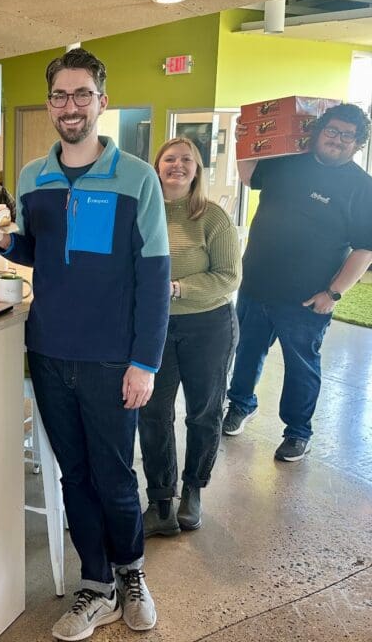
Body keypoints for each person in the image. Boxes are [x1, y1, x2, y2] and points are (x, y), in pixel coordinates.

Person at [0, 48, 170, 640]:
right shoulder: (34, 176)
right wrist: (3, 240)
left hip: (113, 357)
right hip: (51, 351)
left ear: (101, 102)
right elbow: (36, 252)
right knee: (73, 476)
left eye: (82, 94)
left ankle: (132, 570)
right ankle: (96, 584)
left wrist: (145, 363)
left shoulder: (137, 178)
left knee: (114, 476)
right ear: (51, 103)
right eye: (60, 95)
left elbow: (155, 277)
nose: (70, 106)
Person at [222, 103, 372, 462]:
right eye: (332, 131)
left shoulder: (363, 188)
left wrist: (333, 293)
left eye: (347, 135)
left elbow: (367, 248)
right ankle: (240, 405)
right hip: (256, 284)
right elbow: (250, 177)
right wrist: (244, 142)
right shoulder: (288, 162)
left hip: (307, 298)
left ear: (358, 144)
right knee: (246, 352)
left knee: (301, 367)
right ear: (318, 131)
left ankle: (297, 432)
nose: (337, 139)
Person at [137, 137, 240, 537]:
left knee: (204, 412)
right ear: (156, 166)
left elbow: (229, 276)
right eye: (169, 159)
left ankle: (193, 490)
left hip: (207, 325)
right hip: (154, 328)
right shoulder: (143, 214)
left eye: (186, 160)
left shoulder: (212, 217)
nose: (177, 165)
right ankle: (161, 499)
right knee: (152, 413)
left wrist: (176, 288)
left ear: (197, 169)